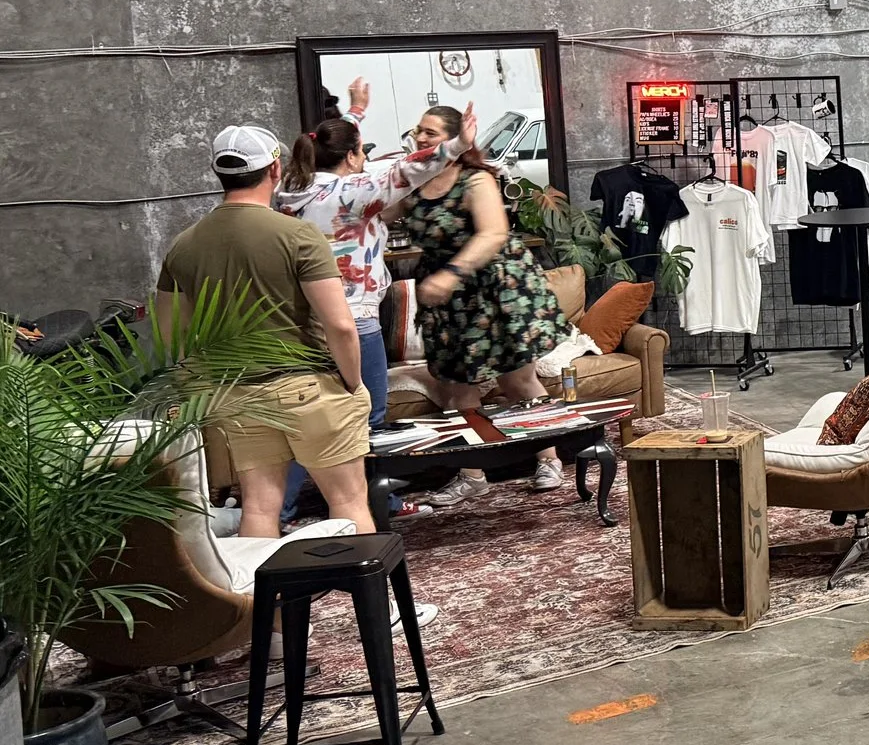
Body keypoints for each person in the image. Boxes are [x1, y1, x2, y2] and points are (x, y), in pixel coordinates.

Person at [154, 126, 379, 539]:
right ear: (275, 169)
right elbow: (341, 324)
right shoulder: (296, 235)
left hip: (237, 395)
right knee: (346, 502)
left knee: (258, 507)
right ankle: (373, 605)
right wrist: (353, 383)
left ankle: (263, 605)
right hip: (310, 389)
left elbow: (172, 337)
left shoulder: (183, 246)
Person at [274, 78, 473, 521]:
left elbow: (329, 146)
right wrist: (458, 143)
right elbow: (408, 170)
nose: (365, 159)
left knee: (307, 422)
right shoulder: (351, 193)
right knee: (367, 418)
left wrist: (356, 112)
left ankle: (280, 511)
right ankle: (372, 505)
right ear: (349, 157)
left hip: (304, 322)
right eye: (360, 151)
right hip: (354, 321)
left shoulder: (289, 189)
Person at [398, 102, 571, 489]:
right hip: (450, 299)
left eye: (431, 133)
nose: (421, 138)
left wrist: (451, 274)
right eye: (419, 131)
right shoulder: (411, 183)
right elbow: (379, 208)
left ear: (456, 139)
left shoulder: (475, 179)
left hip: (496, 288)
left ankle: (549, 460)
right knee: (458, 386)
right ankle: (472, 473)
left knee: (517, 381)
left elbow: (492, 234)